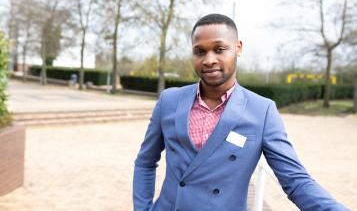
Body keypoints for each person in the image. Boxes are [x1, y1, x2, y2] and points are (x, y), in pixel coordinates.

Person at [133, 14, 348, 211]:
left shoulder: (262, 111)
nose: (209, 60)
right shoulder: (169, 100)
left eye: (219, 49)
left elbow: (296, 180)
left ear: (238, 48)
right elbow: (145, 161)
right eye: (200, 51)